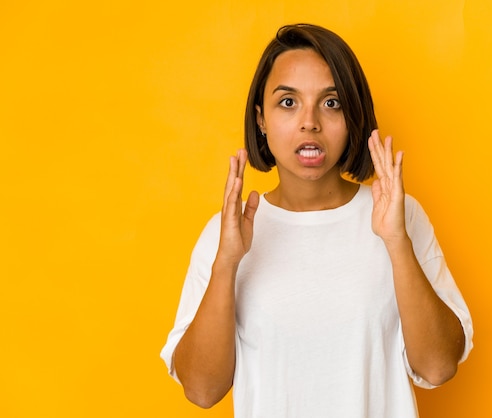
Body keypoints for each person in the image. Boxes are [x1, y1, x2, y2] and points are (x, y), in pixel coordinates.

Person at [160, 23, 473, 418]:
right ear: (261, 120)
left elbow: (439, 366)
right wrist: (227, 262)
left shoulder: (400, 215)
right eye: (288, 103)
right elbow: (202, 390)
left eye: (331, 103)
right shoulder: (227, 235)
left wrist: (396, 242)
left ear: (353, 116)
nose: (310, 122)